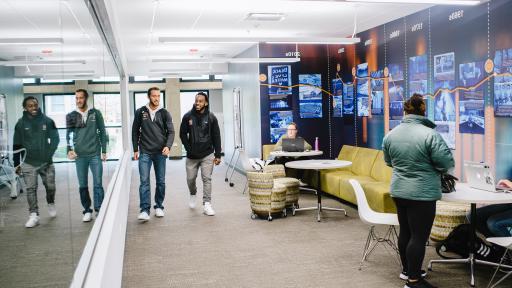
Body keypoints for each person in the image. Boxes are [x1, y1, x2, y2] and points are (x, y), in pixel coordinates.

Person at [382, 94, 455, 288]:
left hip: (399, 191)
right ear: (423, 111)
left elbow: (389, 162)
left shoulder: (391, 134)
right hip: (422, 193)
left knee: (405, 231)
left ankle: (407, 272)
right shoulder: (430, 134)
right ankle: (414, 281)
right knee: (419, 236)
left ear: (405, 111)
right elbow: (446, 163)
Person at [13, 96, 59, 228]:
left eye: (35, 105)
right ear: (25, 108)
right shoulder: (20, 124)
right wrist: (17, 163)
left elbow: (55, 140)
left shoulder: (48, 121)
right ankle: (34, 215)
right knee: (30, 189)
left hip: (46, 162)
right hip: (28, 162)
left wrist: (47, 155)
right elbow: (16, 145)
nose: (33, 108)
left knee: (50, 186)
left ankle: (50, 202)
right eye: (30, 106)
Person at [132, 87, 174, 222]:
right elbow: (135, 131)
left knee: (160, 181)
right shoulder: (140, 111)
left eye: (158, 96)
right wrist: (135, 149)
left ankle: (159, 206)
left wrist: (168, 146)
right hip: (145, 151)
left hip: (160, 153)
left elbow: (171, 132)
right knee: (144, 181)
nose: (156, 98)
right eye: (154, 96)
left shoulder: (164, 113)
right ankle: (144, 210)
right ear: (149, 97)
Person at [66, 89, 108, 222]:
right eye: (76, 98)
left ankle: (99, 209)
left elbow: (102, 132)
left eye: (81, 98)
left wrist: (104, 151)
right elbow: (68, 135)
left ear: (86, 98)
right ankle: (87, 210)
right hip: (80, 156)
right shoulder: (72, 115)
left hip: (95, 154)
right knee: (82, 184)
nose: (78, 100)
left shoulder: (95, 113)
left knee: (98, 183)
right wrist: (69, 149)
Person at [180, 92, 222, 216]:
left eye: (200, 101)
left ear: (206, 103)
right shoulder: (187, 116)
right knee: (190, 179)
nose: (197, 103)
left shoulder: (211, 117)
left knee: (207, 178)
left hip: (207, 154)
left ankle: (207, 204)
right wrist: (188, 148)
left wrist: (218, 154)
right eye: (196, 101)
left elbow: (216, 136)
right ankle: (193, 193)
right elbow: (182, 134)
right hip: (192, 156)